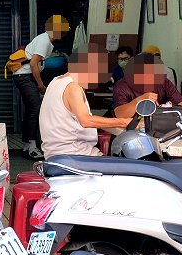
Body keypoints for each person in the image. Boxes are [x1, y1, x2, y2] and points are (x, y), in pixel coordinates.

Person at [39, 50, 132, 158]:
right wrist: (124, 122)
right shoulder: (73, 87)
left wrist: (122, 130)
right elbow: (85, 120)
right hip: (76, 155)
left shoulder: (55, 82)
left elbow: (79, 120)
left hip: (55, 154)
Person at [13, 15, 70, 160]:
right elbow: (33, 64)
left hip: (24, 76)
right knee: (35, 108)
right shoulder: (44, 41)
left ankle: (27, 145)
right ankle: (32, 147)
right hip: (24, 76)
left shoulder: (46, 41)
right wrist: (40, 85)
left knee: (31, 110)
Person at [113, 52, 182, 120]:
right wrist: (139, 101)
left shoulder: (163, 82)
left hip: (161, 123)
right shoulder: (122, 85)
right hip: (133, 128)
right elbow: (120, 114)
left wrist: (164, 109)